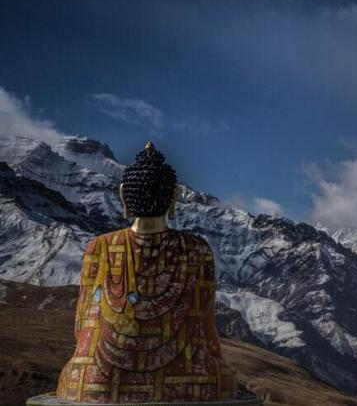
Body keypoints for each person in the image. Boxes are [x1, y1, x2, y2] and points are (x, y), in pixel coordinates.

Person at [56, 142, 236, 403]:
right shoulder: (197, 250)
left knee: (77, 371)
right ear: (174, 196)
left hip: (98, 378)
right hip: (188, 377)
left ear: (123, 196)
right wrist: (218, 361)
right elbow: (207, 332)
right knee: (222, 377)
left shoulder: (100, 247)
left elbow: (80, 327)